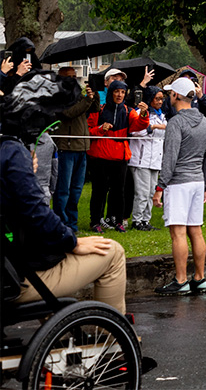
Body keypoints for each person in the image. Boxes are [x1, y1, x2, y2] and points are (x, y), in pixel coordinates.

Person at [4, 129, 127, 314]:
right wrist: (72, 242)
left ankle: (57, 328)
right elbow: (37, 215)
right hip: (17, 280)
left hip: (13, 268)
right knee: (113, 252)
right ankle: (112, 330)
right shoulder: (10, 151)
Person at [151, 77, 206, 295]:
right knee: (195, 231)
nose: (169, 97)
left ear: (176, 95)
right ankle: (199, 278)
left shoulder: (176, 123)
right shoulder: (205, 122)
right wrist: (205, 184)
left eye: (171, 93)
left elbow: (170, 157)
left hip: (179, 182)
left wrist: (160, 187)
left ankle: (180, 280)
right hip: (197, 180)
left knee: (178, 233)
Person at [86, 80, 149, 233]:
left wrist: (143, 114)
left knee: (119, 191)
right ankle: (95, 222)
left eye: (122, 92)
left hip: (120, 156)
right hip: (100, 155)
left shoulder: (128, 111)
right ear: (111, 93)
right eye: (116, 91)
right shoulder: (99, 109)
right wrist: (101, 129)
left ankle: (118, 221)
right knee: (99, 191)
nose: (119, 95)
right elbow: (88, 131)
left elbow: (139, 125)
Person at [53, 66, 96, 232]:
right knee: (63, 189)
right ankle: (61, 223)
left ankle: (72, 222)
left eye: (74, 76)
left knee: (76, 189)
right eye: (69, 76)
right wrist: (87, 100)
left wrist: (93, 95)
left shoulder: (78, 95)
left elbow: (94, 109)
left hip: (81, 147)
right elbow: (70, 113)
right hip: (66, 147)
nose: (73, 79)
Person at [127, 86, 167, 231]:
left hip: (155, 159)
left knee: (151, 192)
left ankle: (146, 220)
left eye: (162, 99)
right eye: (157, 98)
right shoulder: (139, 112)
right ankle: (137, 221)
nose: (160, 102)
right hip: (141, 159)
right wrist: (153, 127)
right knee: (142, 193)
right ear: (150, 98)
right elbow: (134, 132)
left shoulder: (162, 115)